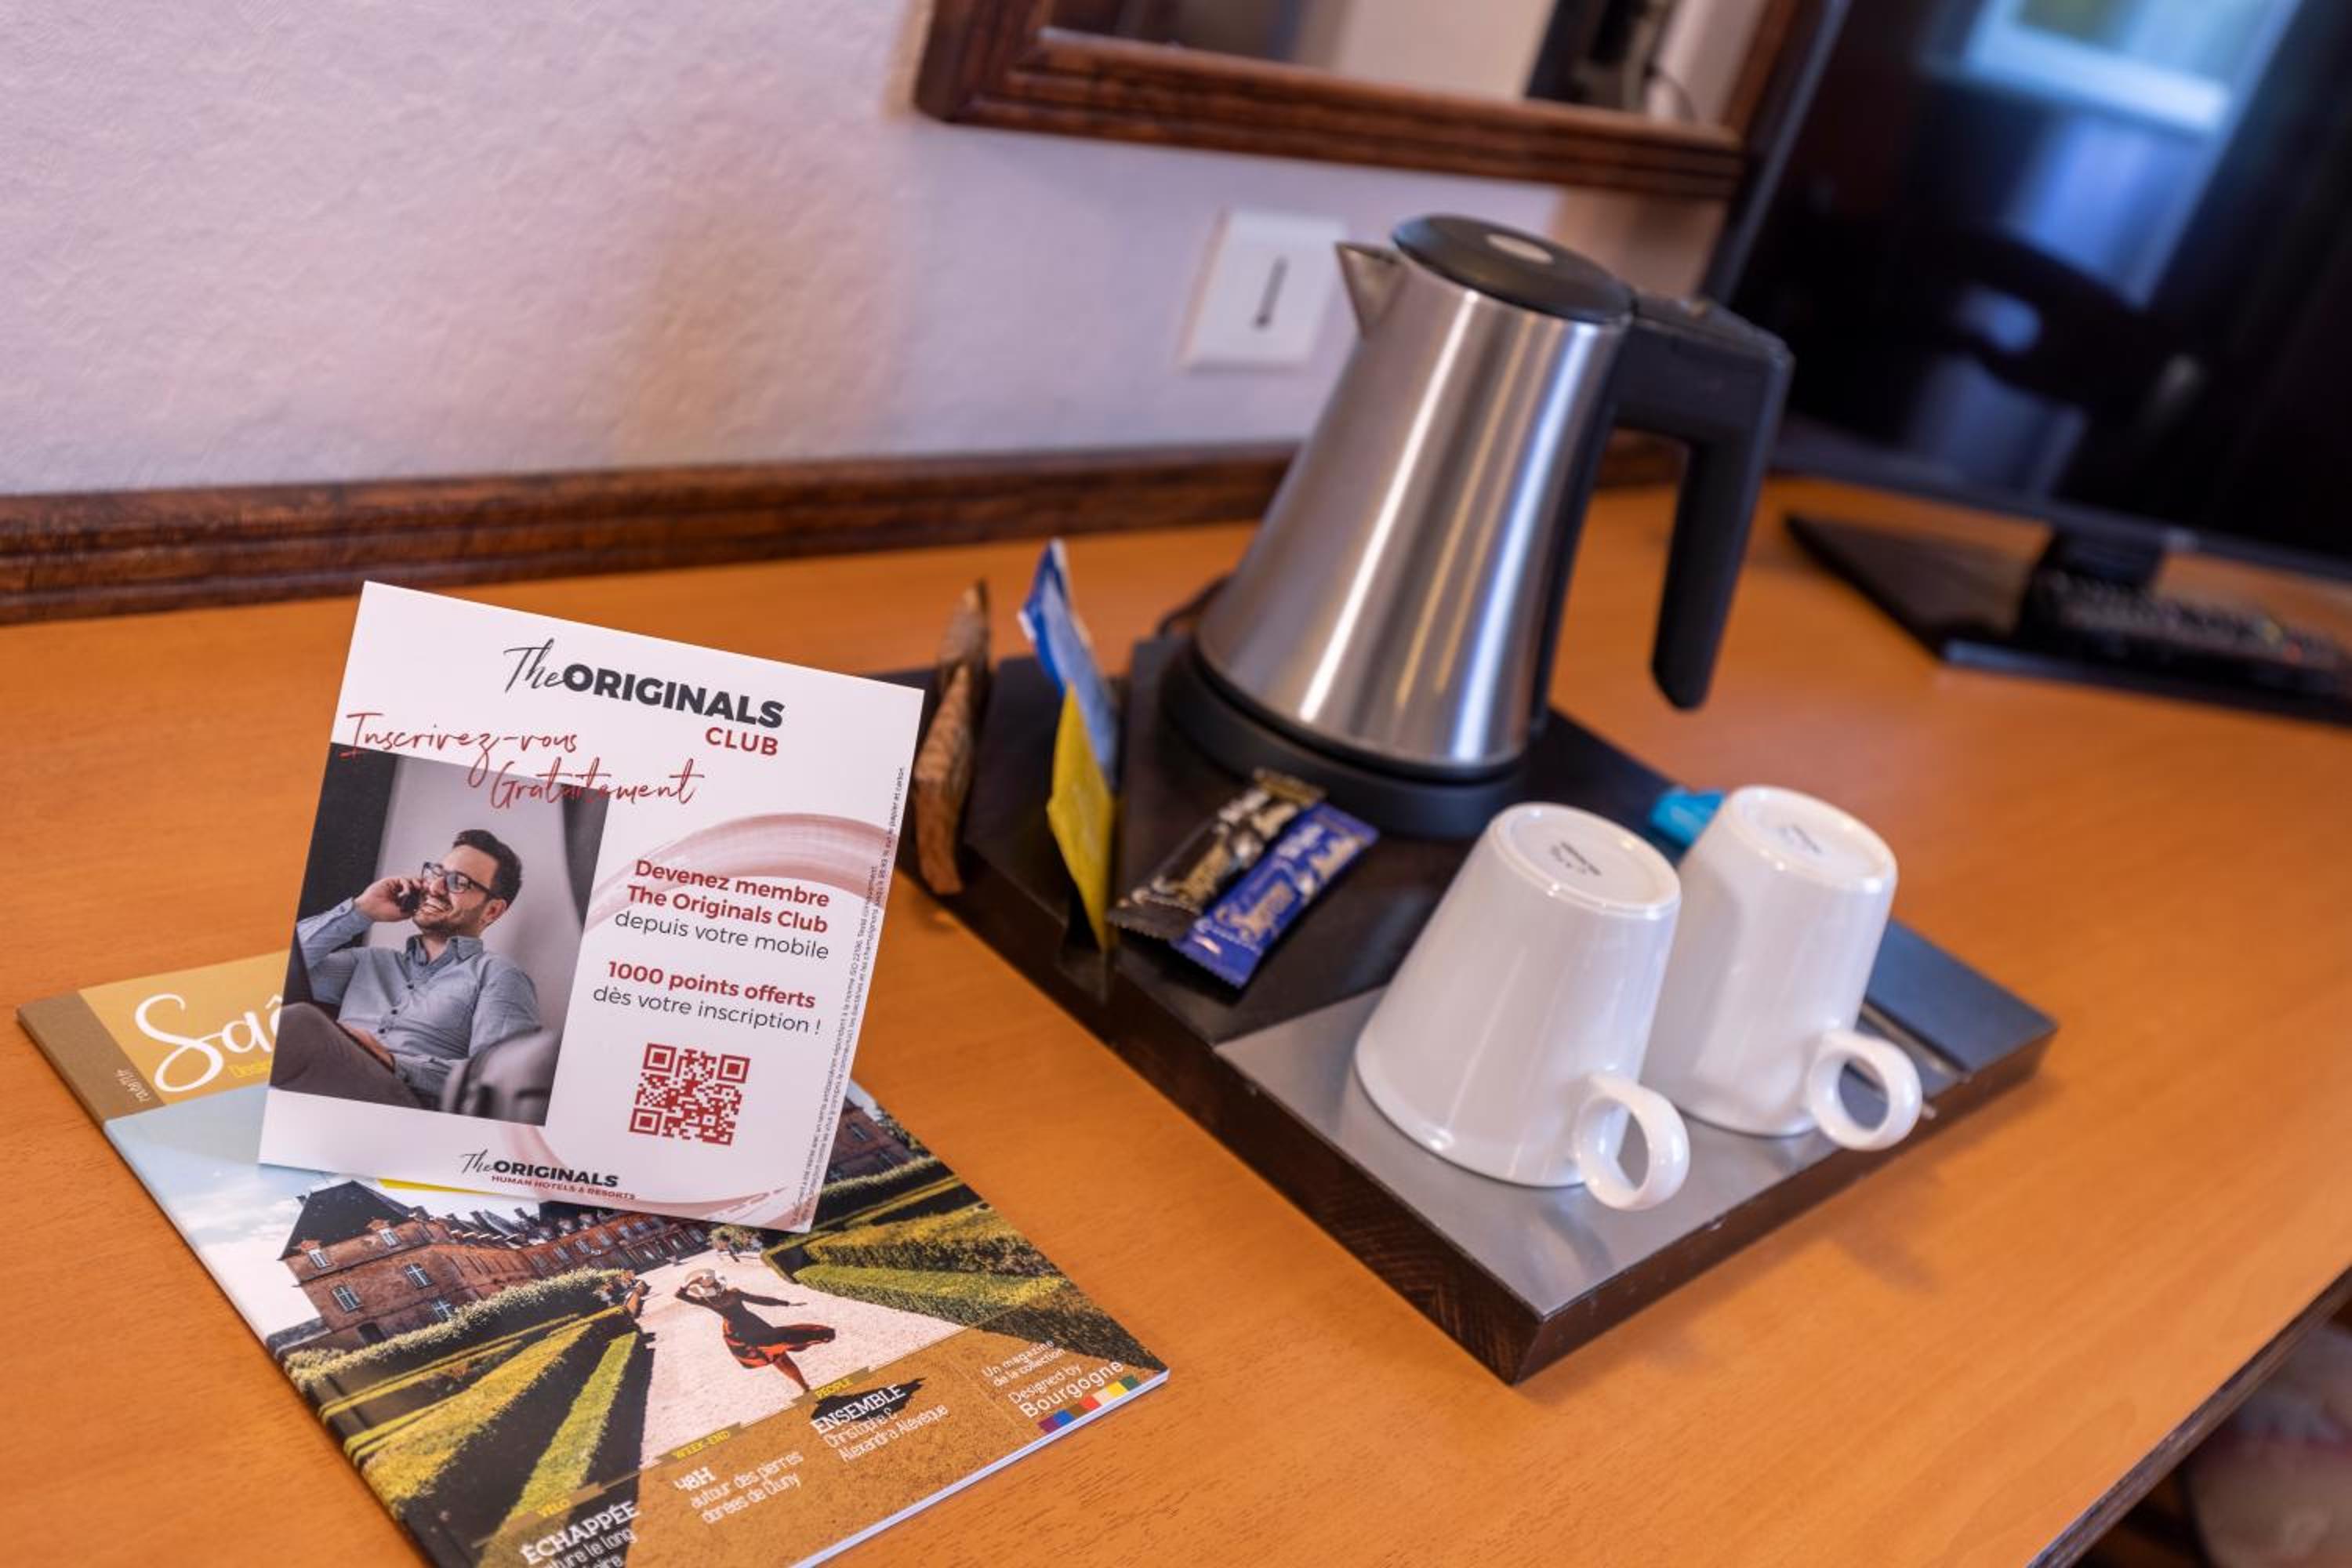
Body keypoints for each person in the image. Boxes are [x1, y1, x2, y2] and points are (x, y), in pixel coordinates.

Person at [272, 829, 540, 1110]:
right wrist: (361, 910)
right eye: (436, 873)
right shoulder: (368, 962)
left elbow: (495, 1080)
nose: (435, 888)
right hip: (321, 1087)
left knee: (299, 1023)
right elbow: (272, 969)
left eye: (459, 882)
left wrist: (392, 1062)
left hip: (405, 1106)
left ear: (492, 911)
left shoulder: (498, 976)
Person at [674, 1269, 834, 1395]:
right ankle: (804, 1386)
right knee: (779, 1357)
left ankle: (804, 1386)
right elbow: (759, 1299)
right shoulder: (731, 1294)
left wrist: (690, 1283)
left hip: (741, 1333)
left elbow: (679, 1294)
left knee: (777, 1357)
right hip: (751, 1328)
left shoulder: (708, 1301)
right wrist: (785, 1303)